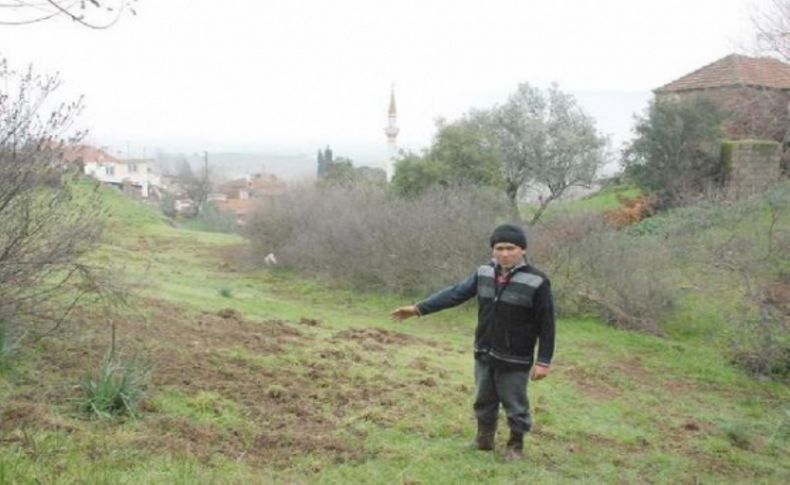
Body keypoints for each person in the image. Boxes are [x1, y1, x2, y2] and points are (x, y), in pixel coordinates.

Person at [390, 223, 555, 461]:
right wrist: (418, 309)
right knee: (483, 399)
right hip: (484, 352)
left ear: (523, 250)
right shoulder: (484, 273)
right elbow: (455, 293)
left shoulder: (537, 281)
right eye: (500, 248)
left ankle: (515, 446)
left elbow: (547, 324)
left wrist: (543, 361)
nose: (505, 253)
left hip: (515, 358)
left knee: (515, 404)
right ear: (492, 251)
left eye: (511, 248)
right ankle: (484, 439)